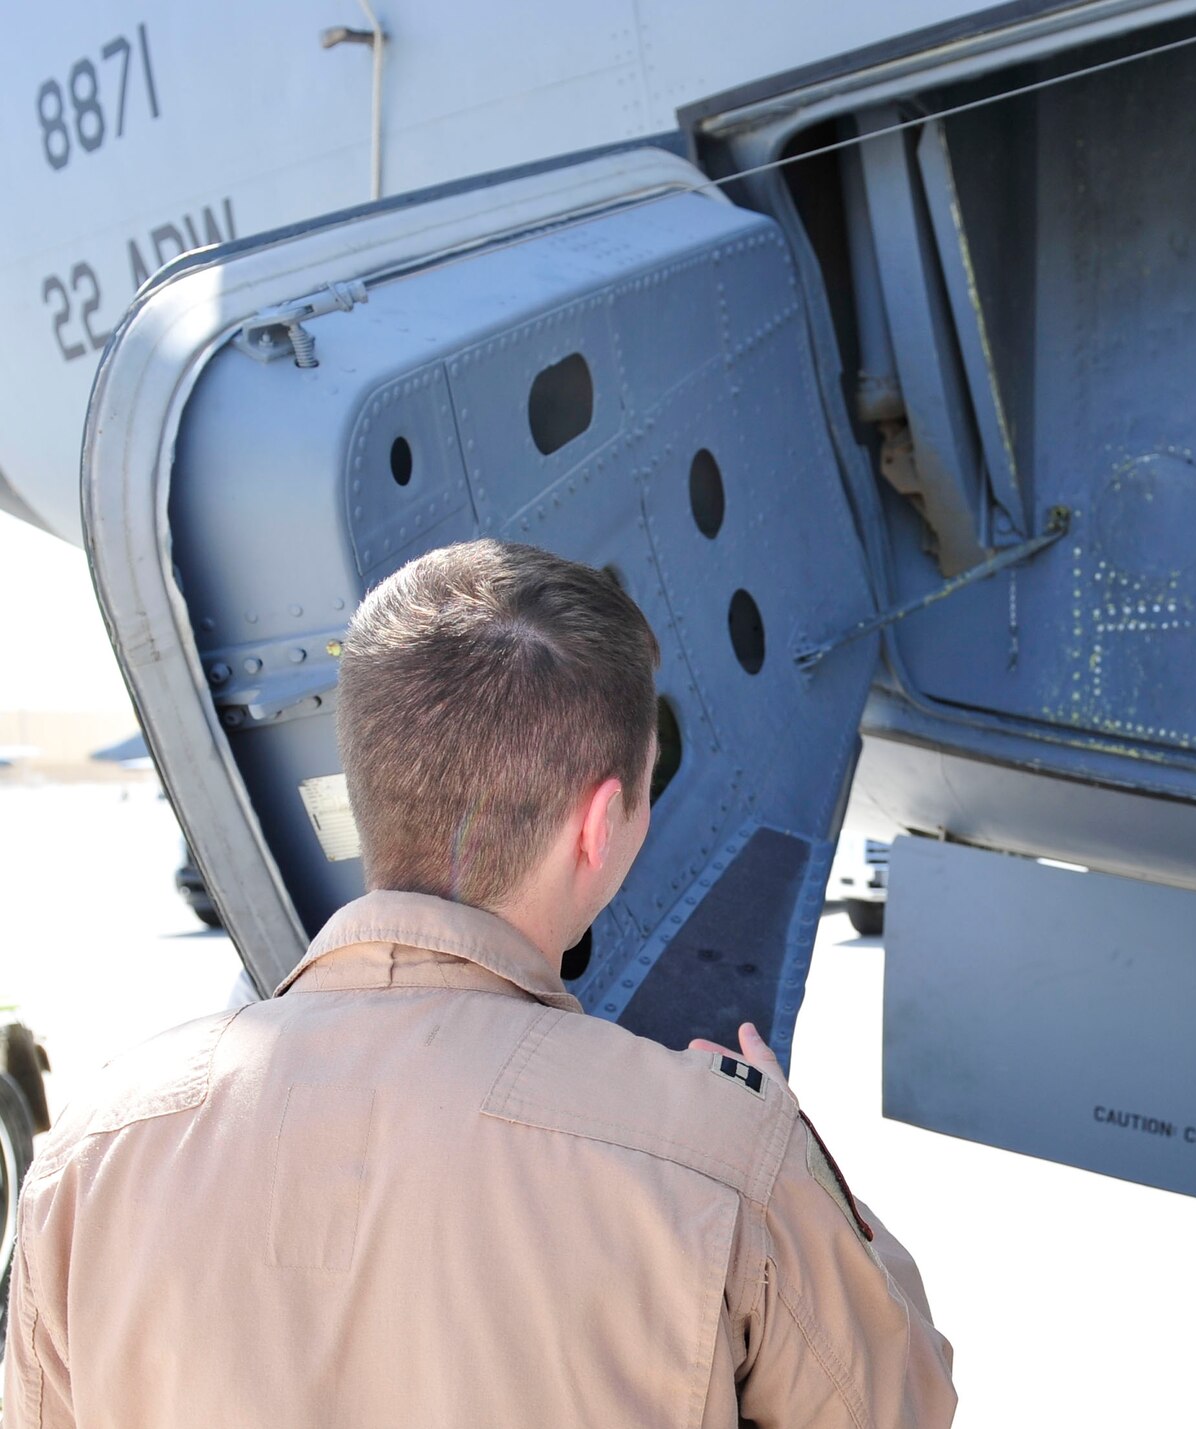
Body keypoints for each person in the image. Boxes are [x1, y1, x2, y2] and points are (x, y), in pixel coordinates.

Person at [4, 540, 956, 1428]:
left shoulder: (91, 1155)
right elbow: (899, 1401)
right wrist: (792, 1164)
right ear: (599, 823)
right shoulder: (719, 1153)